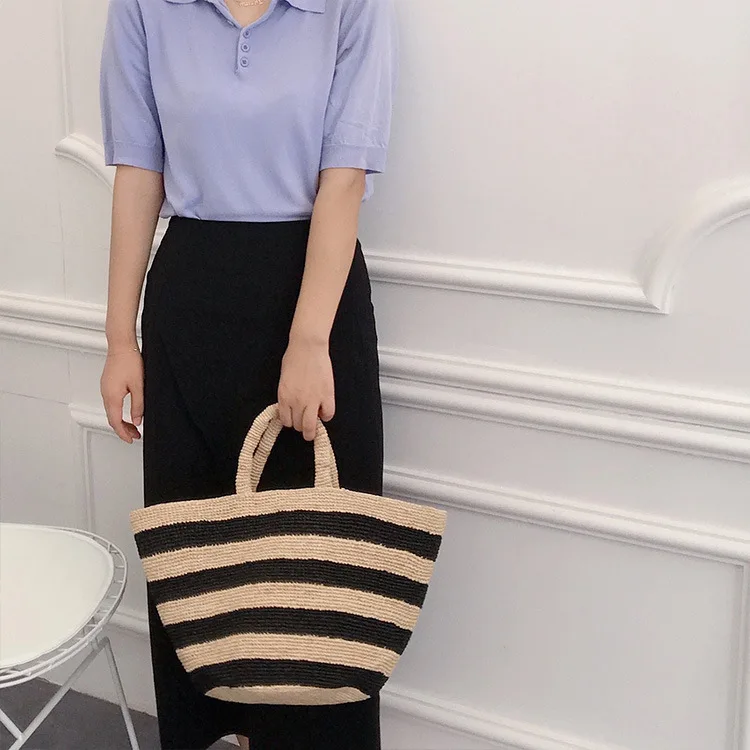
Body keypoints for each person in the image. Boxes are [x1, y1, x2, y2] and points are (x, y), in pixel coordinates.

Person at [97, 0, 398, 747]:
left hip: (315, 299)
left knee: (320, 575)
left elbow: (344, 178)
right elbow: (139, 172)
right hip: (190, 306)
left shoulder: (351, 7)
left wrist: (308, 341)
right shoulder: (144, 7)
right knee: (200, 570)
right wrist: (118, 340)